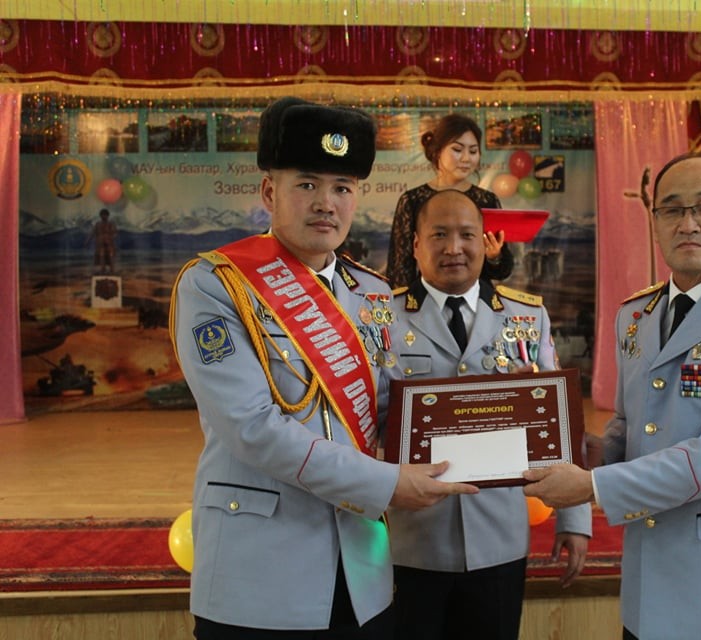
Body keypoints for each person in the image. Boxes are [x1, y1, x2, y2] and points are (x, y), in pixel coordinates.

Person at [170, 97, 478, 639]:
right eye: (307, 184)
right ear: (270, 192)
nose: (325, 203)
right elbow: (252, 428)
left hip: (360, 574)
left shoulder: (371, 291)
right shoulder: (216, 285)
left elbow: (389, 408)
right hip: (260, 575)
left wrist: (490, 435)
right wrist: (386, 482)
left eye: (342, 187)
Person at [522, 153, 701, 640]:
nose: (688, 223)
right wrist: (569, 450)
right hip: (651, 591)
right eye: (672, 209)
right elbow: (628, 426)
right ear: (655, 220)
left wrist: (593, 486)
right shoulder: (636, 316)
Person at [386, 188, 591, 640]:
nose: (454, 248)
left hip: (498, 538)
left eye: (467, 235)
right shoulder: (381, 319)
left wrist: (574, 519)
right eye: (439, 235)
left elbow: (557, 420)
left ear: (486, 242)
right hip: (412, 539)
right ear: (416, 245)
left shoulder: (527, 316)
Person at [387, 113, 513, 288]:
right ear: (438, 151)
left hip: (477, 299)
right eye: (457, 150)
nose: (466, 158)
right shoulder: (412, 201)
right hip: (427, 299)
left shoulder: (487, 200)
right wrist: (408, 303)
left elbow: (502, 271)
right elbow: (400, 269)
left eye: (473, 151)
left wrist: (494, 256)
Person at [89, 208, 117, 274]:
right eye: (102, 215)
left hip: (109, 243)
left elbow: (115, 233)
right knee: (101, 256)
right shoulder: (97, 224)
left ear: (108, 215)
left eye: (105, 215)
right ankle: (102, 270)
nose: (104, 216)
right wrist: (87, 241)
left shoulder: (111, 224)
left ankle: (112, 270)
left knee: (110, 256)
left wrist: (111, 238)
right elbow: (92, 233)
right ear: (100, 215)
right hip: (100, 243)